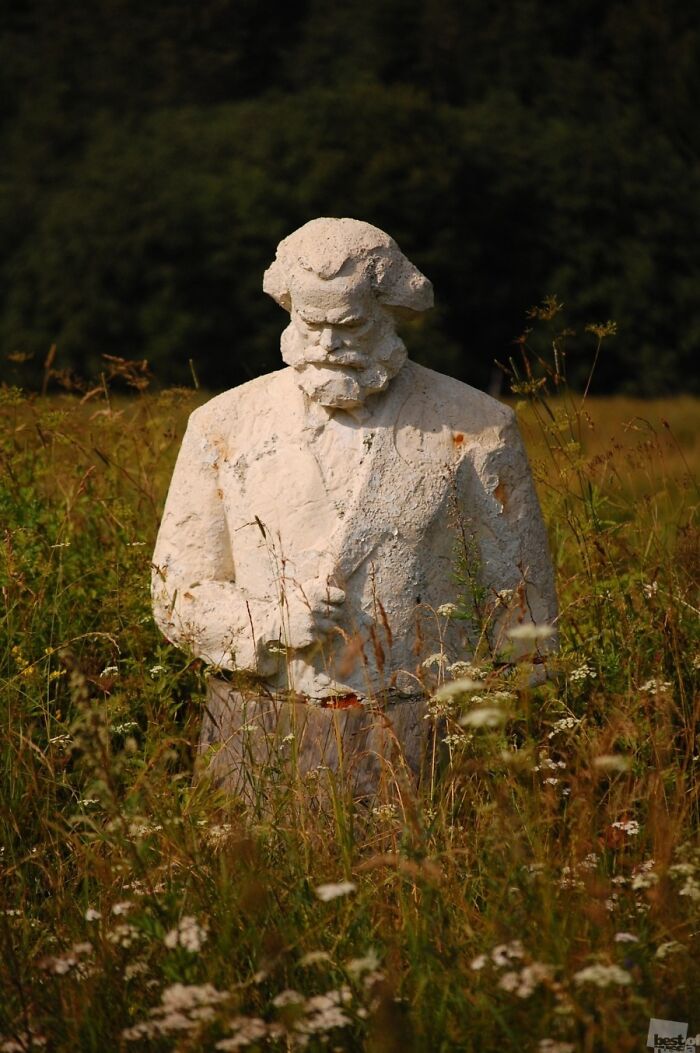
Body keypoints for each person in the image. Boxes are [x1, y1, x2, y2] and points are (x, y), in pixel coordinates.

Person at [152, 218, 557, 703]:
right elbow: (177, 592)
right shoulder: (222, 426)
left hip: (430, 727)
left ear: (388, 314)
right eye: (311, 324)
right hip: (258, 722)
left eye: (348, 325)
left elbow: (526, 608)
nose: (326, 346)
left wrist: (504, 727)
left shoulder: (477, 426)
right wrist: (269, 623)